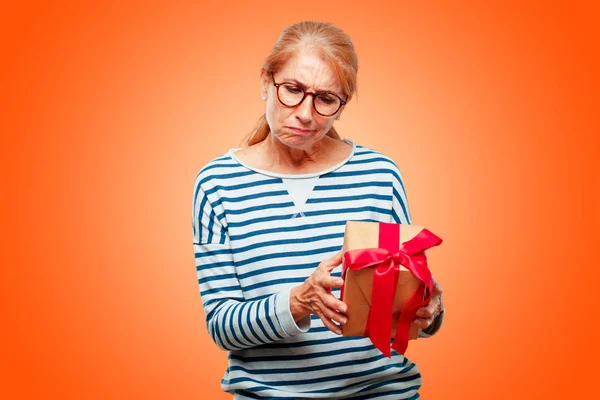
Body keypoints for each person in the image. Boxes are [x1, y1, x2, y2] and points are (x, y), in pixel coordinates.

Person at [191, 21, 445, 400]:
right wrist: (298, 301)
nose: (306, 114)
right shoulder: (217, 184)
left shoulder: (379, 174)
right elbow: (222, 327)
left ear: (341, 106)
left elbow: (402, 311)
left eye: (326, 99)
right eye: (292, 90)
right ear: (265, 81)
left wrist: (426, 313)